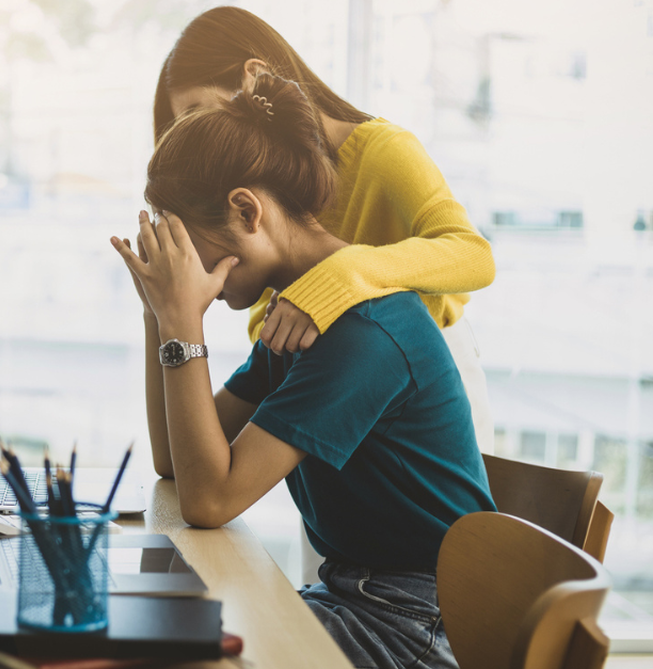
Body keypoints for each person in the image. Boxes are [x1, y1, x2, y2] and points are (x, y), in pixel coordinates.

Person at [111, 72, 495, 669]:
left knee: (167, 652)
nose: (187, 268)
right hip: (356, 597)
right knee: (144, 628)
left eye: (188, 245)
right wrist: (158, 317)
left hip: (415, 625)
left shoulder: (359, 332)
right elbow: (177, 463)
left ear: (246, 210)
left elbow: (210, 499)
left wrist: (183, 323)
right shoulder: (300, 311)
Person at [154, 6, 497, 454]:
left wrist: (339, 275)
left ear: (254, 77)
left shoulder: (382, 151)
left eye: (198, 113)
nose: (197, 138)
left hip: (420, 393)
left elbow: (474, 255)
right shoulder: (262, 202)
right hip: (326, 380)